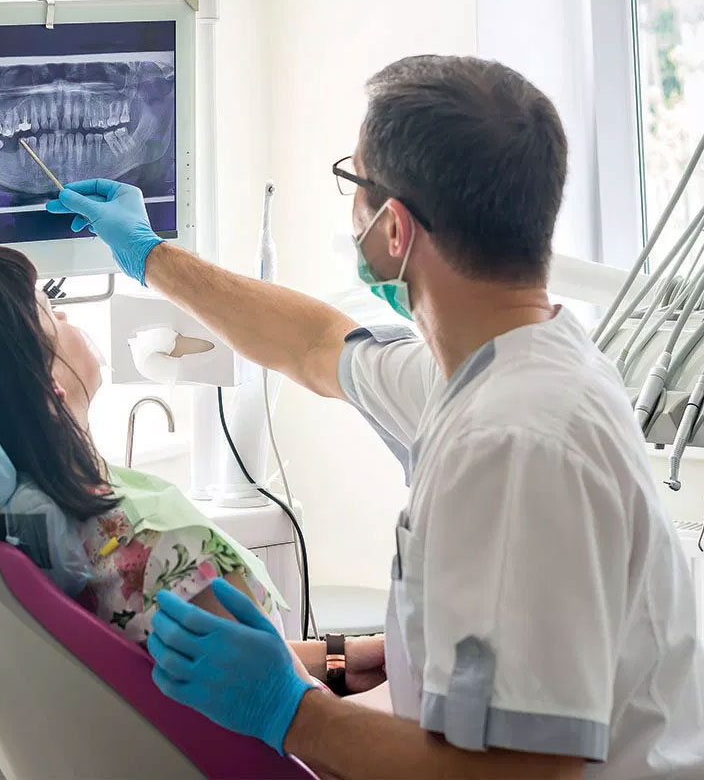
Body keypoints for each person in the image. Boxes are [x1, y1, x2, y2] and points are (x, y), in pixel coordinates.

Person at [46, 55, 704, 779]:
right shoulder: (504, 363)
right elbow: (313, 344)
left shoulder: (514, 442)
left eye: (353, 183)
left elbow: (526, 774)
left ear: (394, 230)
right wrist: (150, 257)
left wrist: (293, 711)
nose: (348, 206)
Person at [0, 245, 388, 699]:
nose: (64, 314)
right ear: (49, 390)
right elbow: (297, 725)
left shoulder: (5, 544)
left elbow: (203, 665)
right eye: (47, 314)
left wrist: (341, 657)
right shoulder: (163, 553)